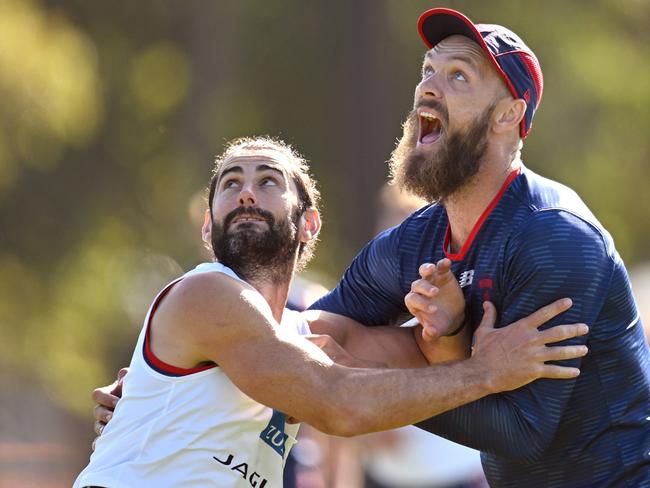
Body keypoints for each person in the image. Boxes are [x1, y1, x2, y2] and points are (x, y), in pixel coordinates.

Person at [78, 136, 587, 488]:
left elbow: (429, 360)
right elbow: (339, 404)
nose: (247, 190)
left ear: (309, 225)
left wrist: (448, 322)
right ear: (208, 230)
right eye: (229, 183)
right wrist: (487, 372)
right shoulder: (206, 294)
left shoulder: (310, 331)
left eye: (269, 181)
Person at [309, 8, 650, 487]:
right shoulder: (419, 237)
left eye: (458, 76)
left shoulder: (555, 236)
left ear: (509, 113)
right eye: (428, 70)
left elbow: (524, 431)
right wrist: (231, 336)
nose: (429, 86)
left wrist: (364, 383)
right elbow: (321, 330)